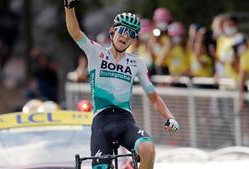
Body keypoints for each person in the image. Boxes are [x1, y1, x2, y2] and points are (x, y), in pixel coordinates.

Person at [63, 1, 179, 169]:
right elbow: (75, 32)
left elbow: (153, 97)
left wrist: (170, 117)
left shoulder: (136, 62)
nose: (125, 36)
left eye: (131, 34)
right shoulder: (96, 52)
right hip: (101, 122)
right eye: (122, 30)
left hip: (125, 120)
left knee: (148, 148)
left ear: (133, 39)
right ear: (112, 31)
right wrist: (69, 7)